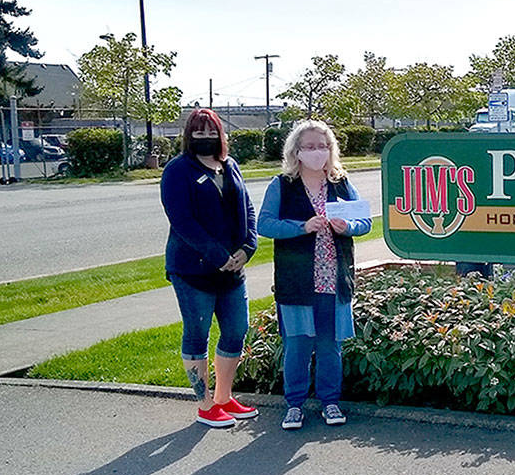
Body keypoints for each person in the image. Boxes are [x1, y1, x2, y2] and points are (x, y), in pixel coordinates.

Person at [258, 120, 373, 430]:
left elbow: (365, 222)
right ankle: (294, 405)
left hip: (333, 281)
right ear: (296, 151)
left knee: (329, 345)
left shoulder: (341, 183)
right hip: (297, 281)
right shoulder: (281, 184)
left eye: (322, 146)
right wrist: (301, 227)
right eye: (309, 147)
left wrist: (348, 227)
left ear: (331, 150)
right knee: (297, 344)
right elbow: (265, 225)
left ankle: (330, 402)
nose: (316, 152)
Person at [160, 108, 258, 428]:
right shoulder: (178, 170)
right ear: (189, 136)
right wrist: (218, 255)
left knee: (235, 330)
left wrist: (248, 247)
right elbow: (183, 221)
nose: (205, 138)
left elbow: (248, 209)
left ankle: (223, 397)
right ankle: (205, 406)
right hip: (193, 270)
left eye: (211, 132)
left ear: (221, 134)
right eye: (198, 133)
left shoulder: (230, 166)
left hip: (233, 269)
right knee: (197, 333)